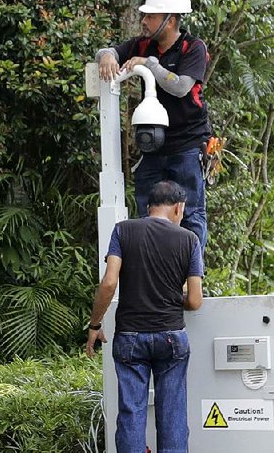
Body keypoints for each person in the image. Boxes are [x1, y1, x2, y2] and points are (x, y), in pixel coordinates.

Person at [96, 0, 211, 261]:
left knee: (191, 211)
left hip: (188, 144)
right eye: (144, 15)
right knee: (147, 210)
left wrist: (149, 65)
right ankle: (151, 270)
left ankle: (190, 275)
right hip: (153, 143)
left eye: (150, 16)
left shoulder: (192, 48)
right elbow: (107, 51)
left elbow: (181, 87)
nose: (144, 21)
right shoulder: (142, 44)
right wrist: (108, 56)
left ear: (170, 20)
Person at [86, 180, 204, 452]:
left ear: (148, 207)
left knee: (131, 413)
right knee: (173, 414)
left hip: (130, 337)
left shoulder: (123, 231)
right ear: (178, 207)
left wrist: (95, 324)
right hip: (171, 336)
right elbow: (195, 301)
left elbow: (108, 283)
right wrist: (175, 299)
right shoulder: (189, 239)